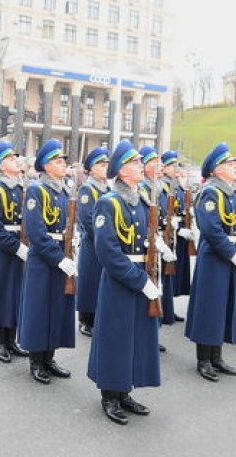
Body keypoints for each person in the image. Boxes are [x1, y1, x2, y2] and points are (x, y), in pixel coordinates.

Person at [87, 140, 158, 424]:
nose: (141, 166)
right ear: (122, 170)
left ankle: (125, 389)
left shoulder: (140, 200)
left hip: (141, 277)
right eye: (135, 163)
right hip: (121, 281)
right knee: (115, 338)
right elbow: (107, 251)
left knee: (134, 339)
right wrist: (138, 280)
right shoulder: (109, 202)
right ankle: (109, 395)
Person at [186, 143, 236, 381]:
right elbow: (212, 230)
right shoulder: (211, 193)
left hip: (231, 255)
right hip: (215, 257)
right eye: (229, 164)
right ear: (216, 169)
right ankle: (203, 359)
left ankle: (217, 357)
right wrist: (233, 255)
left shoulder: (231, 192)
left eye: (235, 164)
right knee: (209, 308)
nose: (235, 167)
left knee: (224, 306)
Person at [18, 138, 76, 384]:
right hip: (43, 260)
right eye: (58, 161)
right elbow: (35, 233)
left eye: (63, 161)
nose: (63, 165)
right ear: (46, 165)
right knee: (39, 311)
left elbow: (70, 225)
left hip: (63, 256)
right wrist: (57, 258)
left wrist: (74, 243)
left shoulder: (64, 191)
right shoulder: (36, 190)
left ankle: (50, 357)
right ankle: (36, 361)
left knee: (57, 309)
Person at [0, 141, 29, 363]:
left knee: (15, 293)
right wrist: (16, 247)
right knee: (0, 294)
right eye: (10, 159)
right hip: (2, 250)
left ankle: (12, 340)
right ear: (1, 166)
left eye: (15, 158)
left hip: (21, 246)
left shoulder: (21, 188)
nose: (16, 161)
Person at [139, 146, 179, 327]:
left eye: (161, 163)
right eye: (155, 163)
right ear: (146, 166)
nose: (160, 166)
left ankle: (164, 316)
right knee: (153, 283)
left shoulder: (160, 187)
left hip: (163, 239)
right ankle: (153, 326)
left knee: (163, 283)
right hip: (152, 242)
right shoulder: (143, 189)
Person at [75, 147, 109, 337]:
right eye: (101, 165)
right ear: (91, 169)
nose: (105, 168)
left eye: (106, 165)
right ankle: (85, 319)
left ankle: (97, 317)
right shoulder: (88, 189)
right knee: (89, 280)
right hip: (92, 242)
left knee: (100, 281)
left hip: (105, 241)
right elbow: (87, 219)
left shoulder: (107, 188)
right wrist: (103, 237)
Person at [161, 150, 195, 298]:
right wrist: (179, 228)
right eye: (171, 165)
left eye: (177, 165)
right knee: (171, 270)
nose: (176, 169)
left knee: (180, 269)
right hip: (172, 231)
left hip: (181, 232)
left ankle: (171, 304)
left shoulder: (178, 185)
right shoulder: (165, 186)